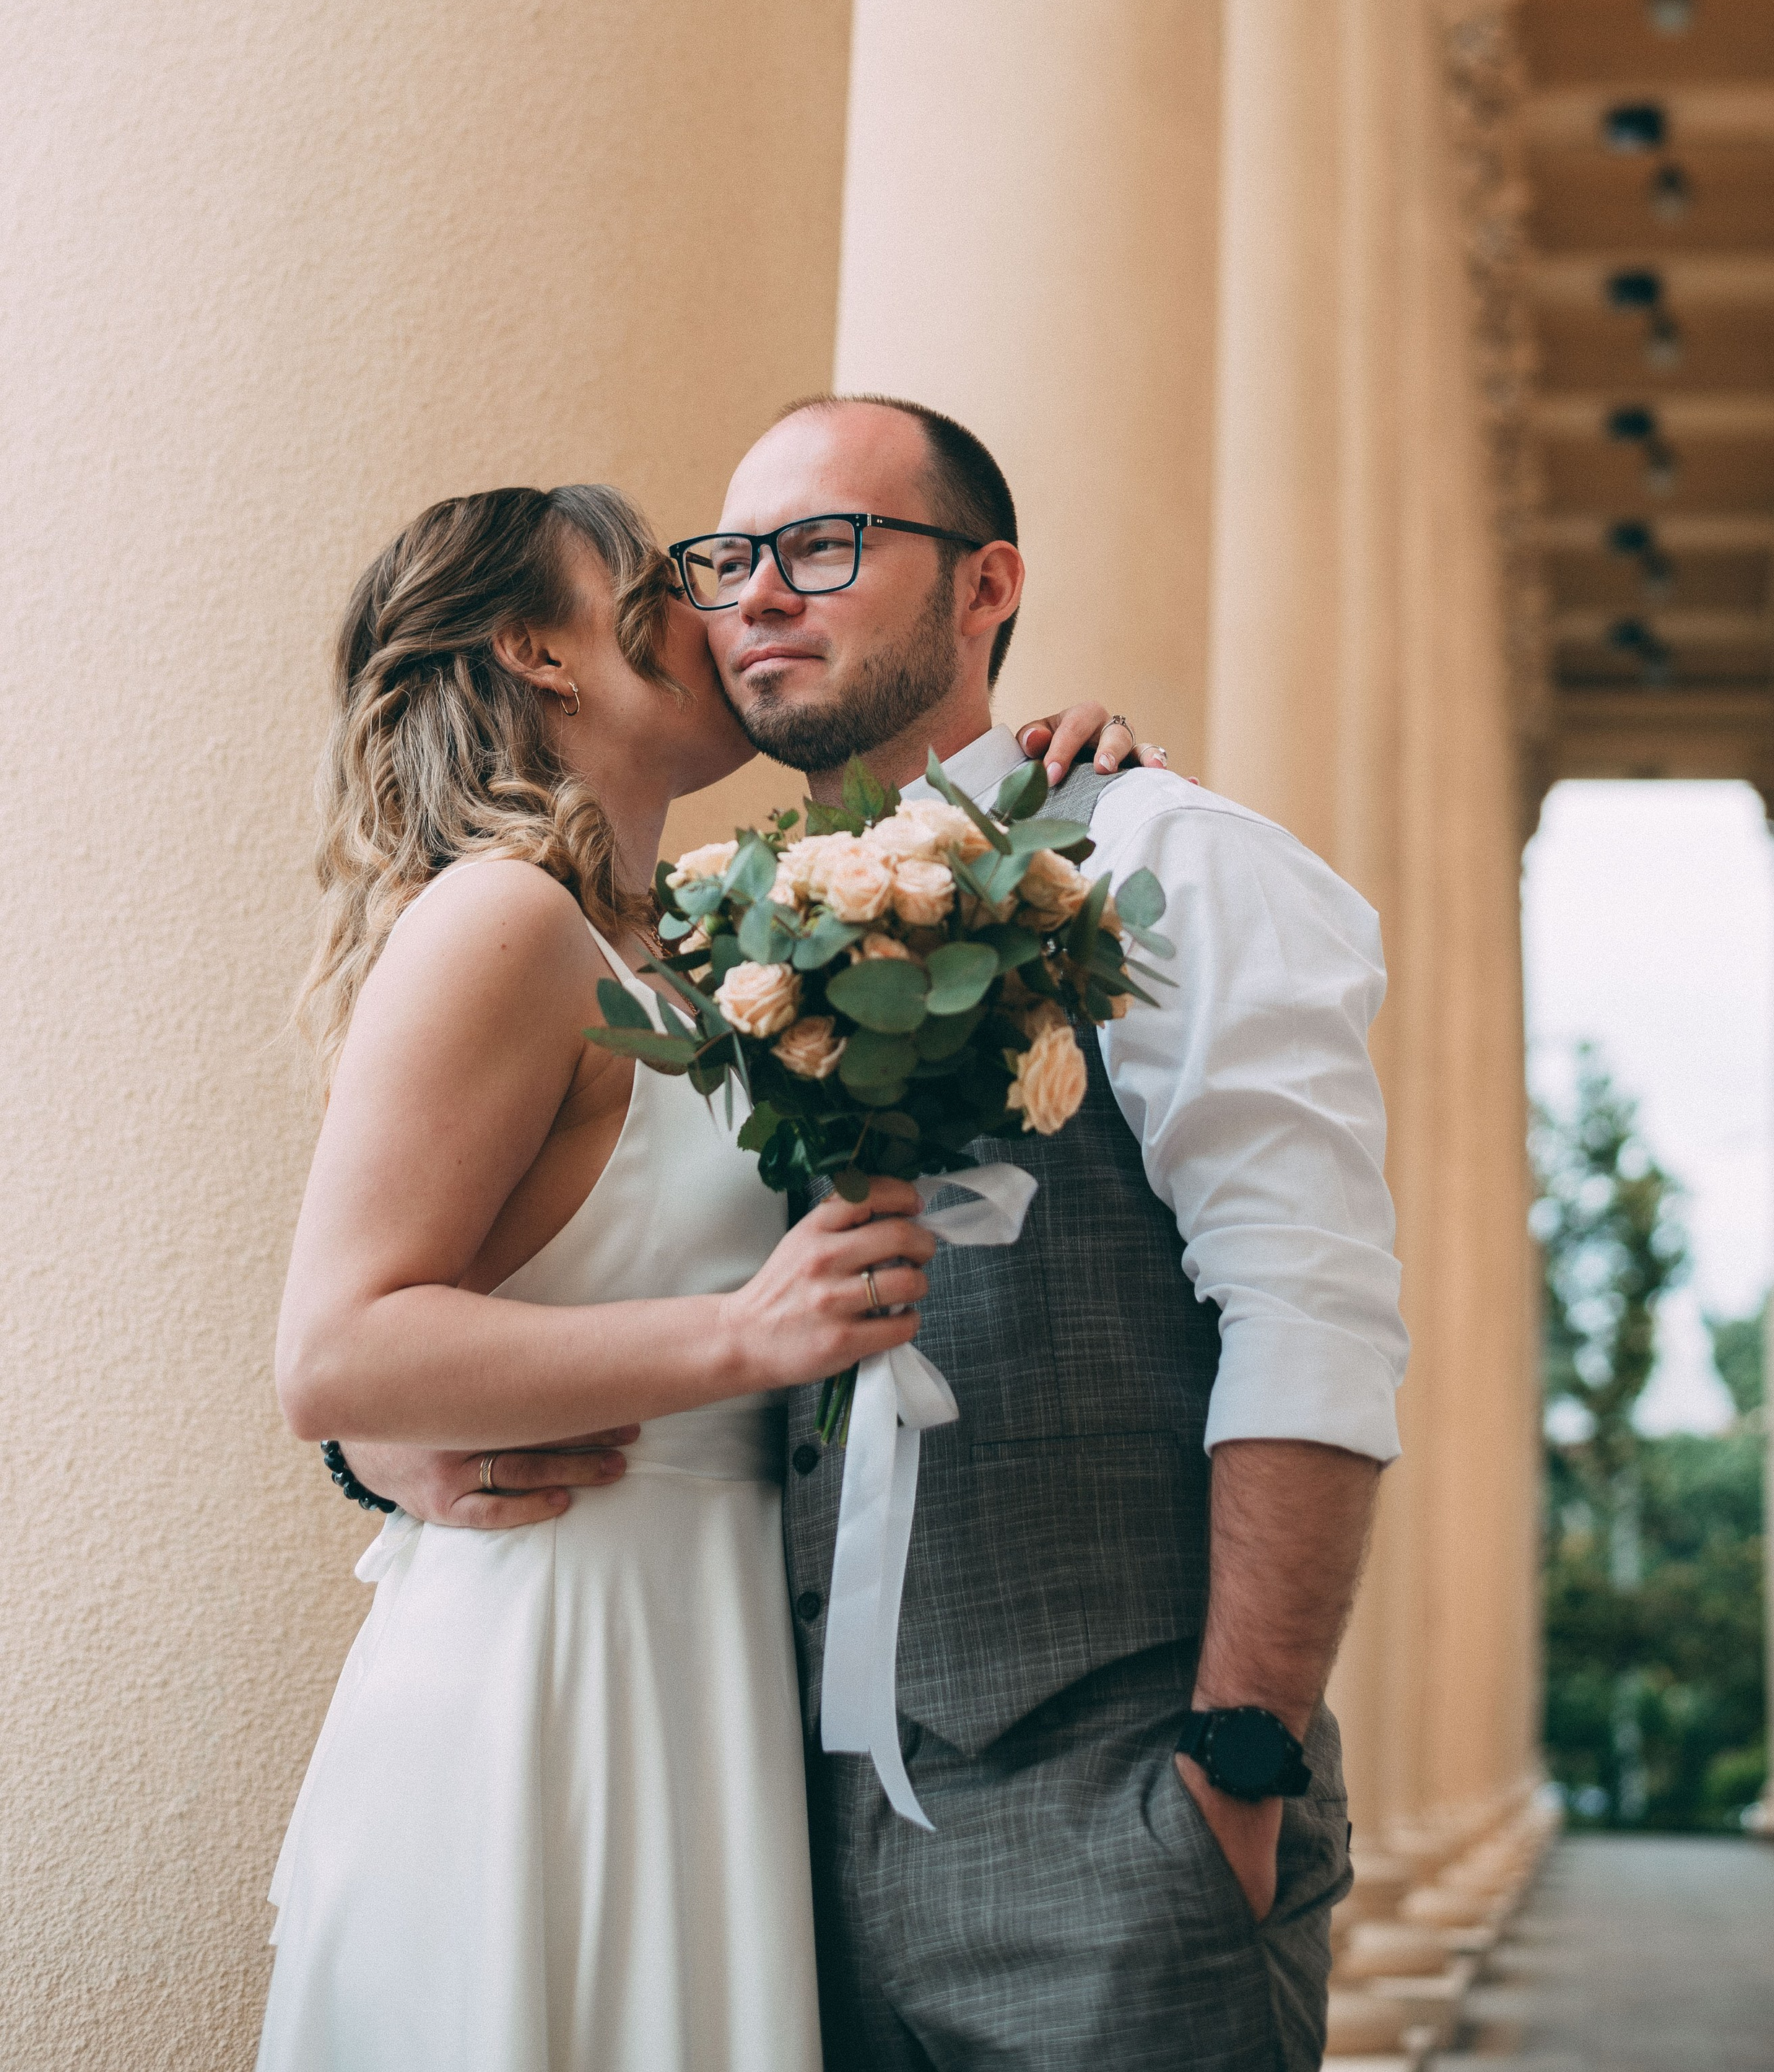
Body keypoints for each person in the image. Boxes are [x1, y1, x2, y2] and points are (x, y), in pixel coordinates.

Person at [352, 397, 1410, 2072]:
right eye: (728, 559)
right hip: (762, 1829)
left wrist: (1234, 1766)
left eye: (825, 545)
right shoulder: (700, 936)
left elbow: (1314, 1320)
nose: (759, 591)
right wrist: (390, 1447)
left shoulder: (1156, 859)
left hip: (1112, 1832)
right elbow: (519, 1253)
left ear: (985, 584)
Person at [258, 474, 1153, 2072]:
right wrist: (742, 1334)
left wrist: (1032, 770)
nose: (722, 608)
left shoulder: (677, 940)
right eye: (666, 578)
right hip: (559, 1667)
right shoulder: (497, 920)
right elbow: (335, 1349)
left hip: (712, 1651)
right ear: (541, 652)